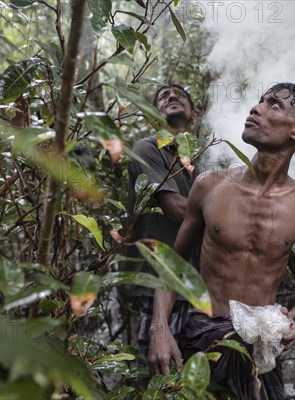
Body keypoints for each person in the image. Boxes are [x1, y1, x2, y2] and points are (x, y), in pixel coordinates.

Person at [148, 82, 295, 399]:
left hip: (260, 349)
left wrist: (293, 318)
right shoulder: (210, 185)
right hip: (200, 334)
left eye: (274, 105)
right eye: (260, 101)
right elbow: (173, 268)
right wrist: (160, 330)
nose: (256, 108)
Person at [124, 83, 200, 362]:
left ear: (195, 114)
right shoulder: (148, 148)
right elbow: (178, 210)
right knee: (160, 369)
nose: (171, 97)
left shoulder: (198, 160)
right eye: (163, 97)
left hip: (192, 280)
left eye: (179, 94)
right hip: (157, 278)